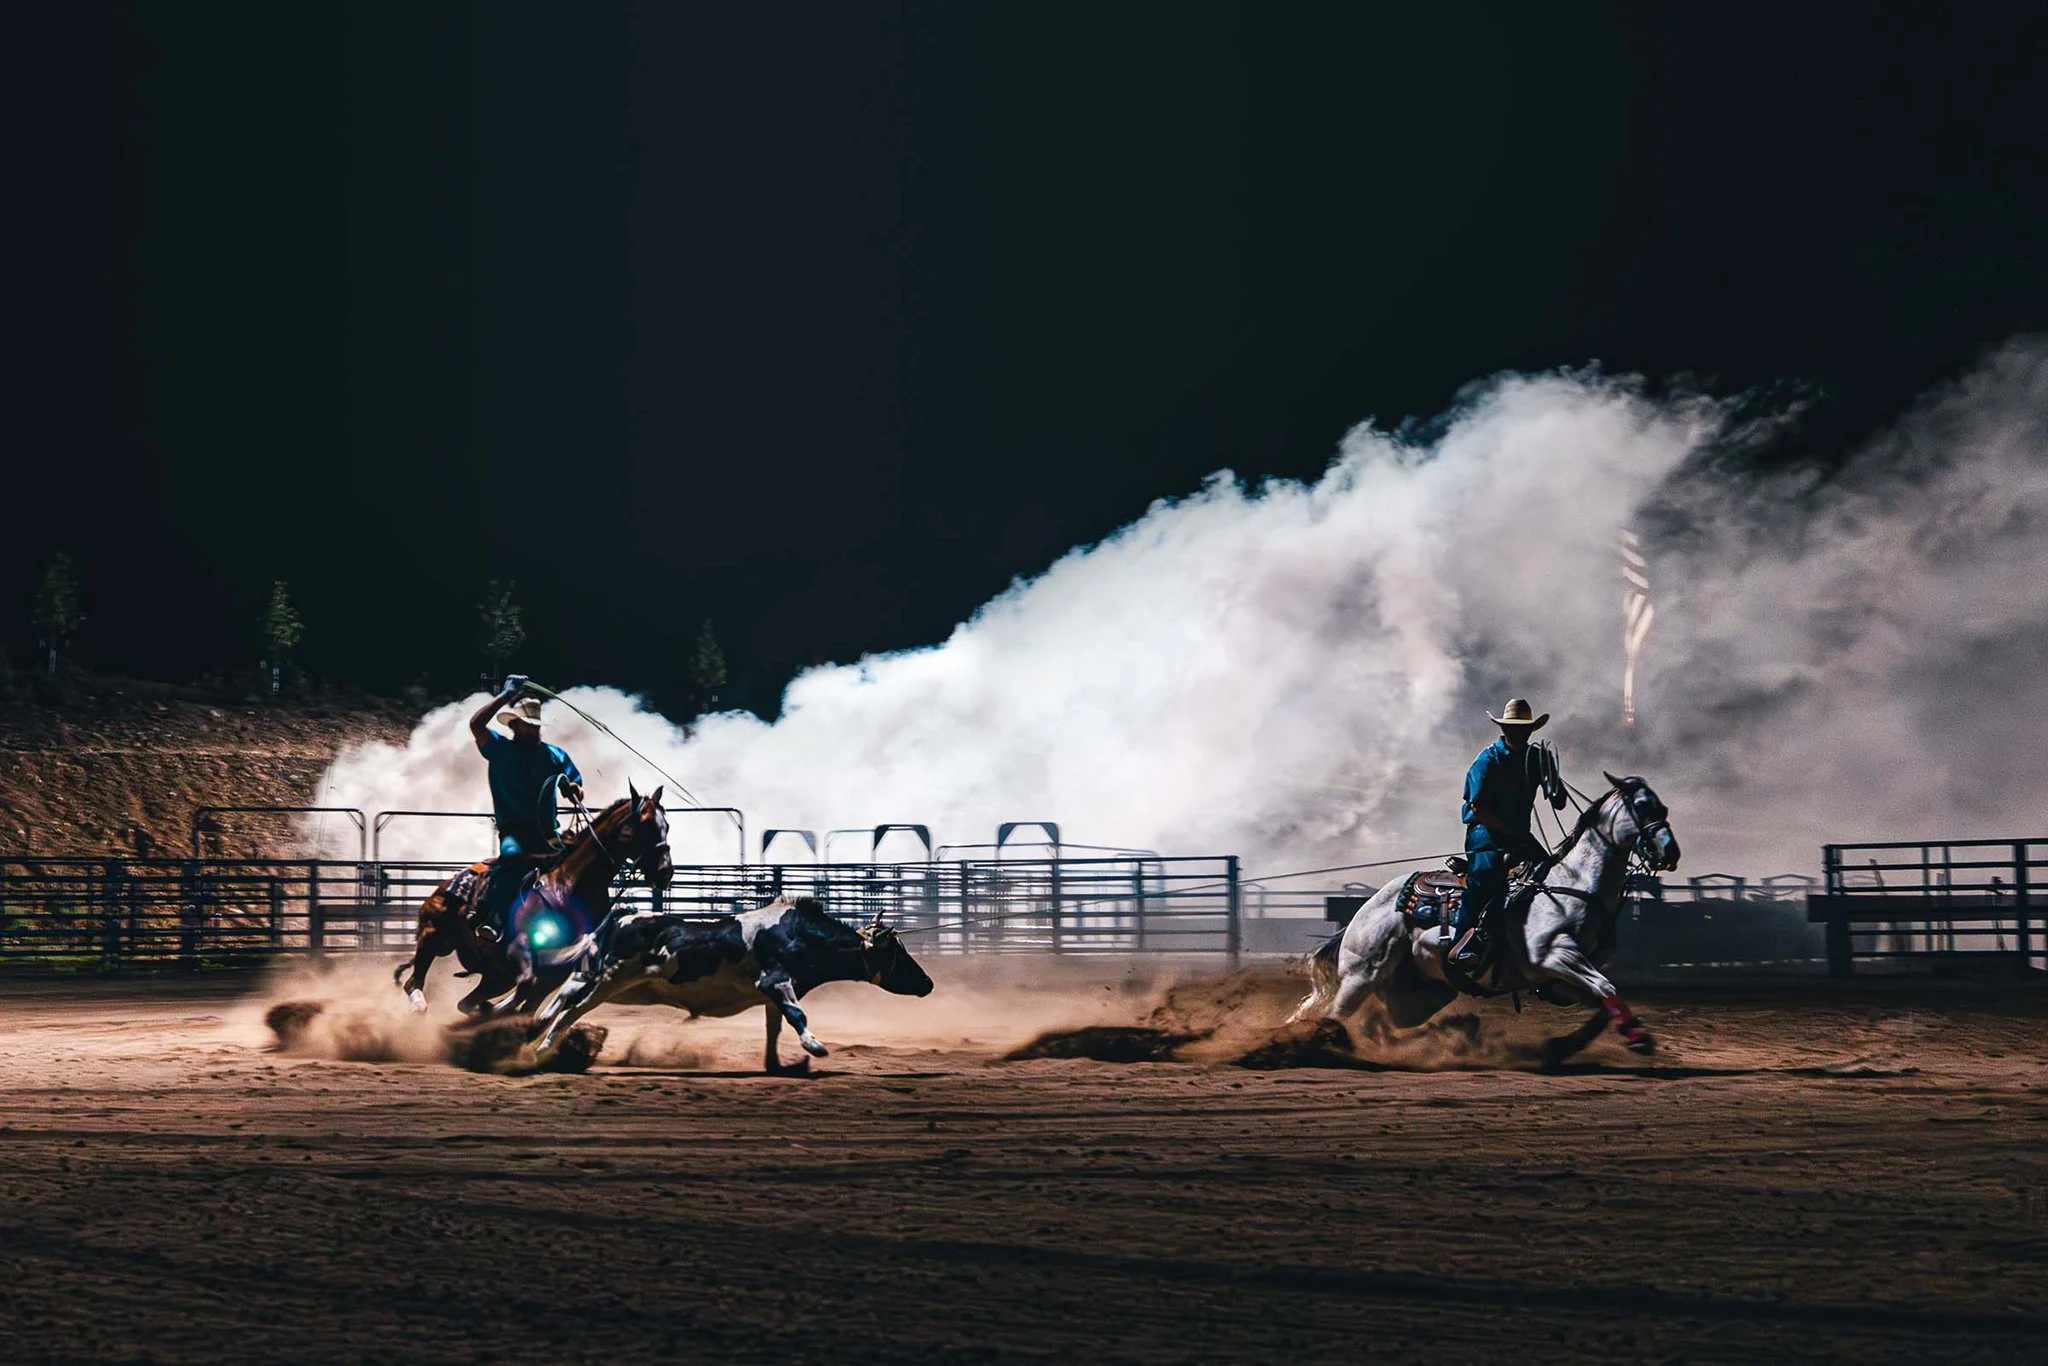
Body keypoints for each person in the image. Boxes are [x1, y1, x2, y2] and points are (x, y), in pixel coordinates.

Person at [1449, 697, 1566, 971]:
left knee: (1548, 871)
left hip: (1518, 835)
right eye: (1514, 727)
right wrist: (1508, 832)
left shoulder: (1536, 758)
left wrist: (1553, 780)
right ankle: (1464, 942)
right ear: (1505, 729)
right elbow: (1478, 807)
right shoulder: (1487, 760)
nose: (1519, 732)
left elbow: (1558, 801)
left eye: (1523, 727)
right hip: (1485, 832)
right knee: (1485, 877)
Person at [468, 675, 584, 943]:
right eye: (528, 726)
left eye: (536, 727)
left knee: (576, 862)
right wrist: (507, 695)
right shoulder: (499, 749)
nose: (533, 731)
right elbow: (476, 724)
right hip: (514, 830)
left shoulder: (555, 755)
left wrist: (573, 790)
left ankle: (579, 922)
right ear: (515, 725)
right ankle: (494, 919)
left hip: (547, 831)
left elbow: (574, 783)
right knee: (511, 857)